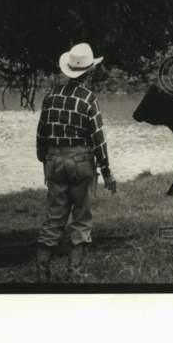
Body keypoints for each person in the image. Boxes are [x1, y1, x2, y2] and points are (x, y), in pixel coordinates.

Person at [35, 42, 117, 281]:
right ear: (89, 72)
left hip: (54, 160)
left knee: (54, 217)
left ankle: (43, 273)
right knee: (81, 218)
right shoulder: (89, 99)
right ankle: (75, 273)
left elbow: (41, 135)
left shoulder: (50, 97)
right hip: (81, 161)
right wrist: (107, 172)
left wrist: (45, 162)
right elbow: (98, 139)